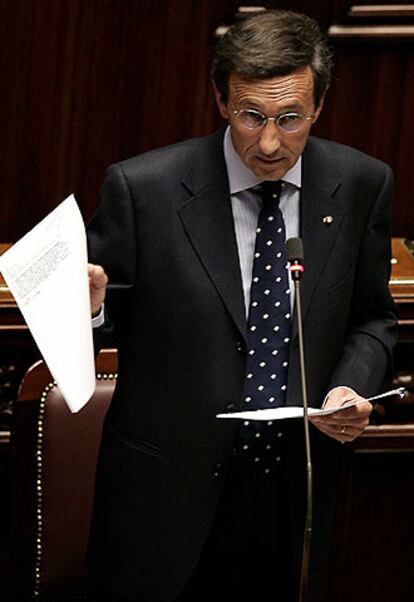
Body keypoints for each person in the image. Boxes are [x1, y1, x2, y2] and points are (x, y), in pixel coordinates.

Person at [87, 9, 397, 602]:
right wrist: (92, 311)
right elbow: (100, 326)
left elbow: (371, 317)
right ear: (221, 100)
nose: (271, 141)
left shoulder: (361, 183)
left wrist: (350, 386)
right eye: (251, 116)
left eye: (290, 118)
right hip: (167, 500)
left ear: (319, 106)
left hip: (295, 494)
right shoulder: (142, 188)